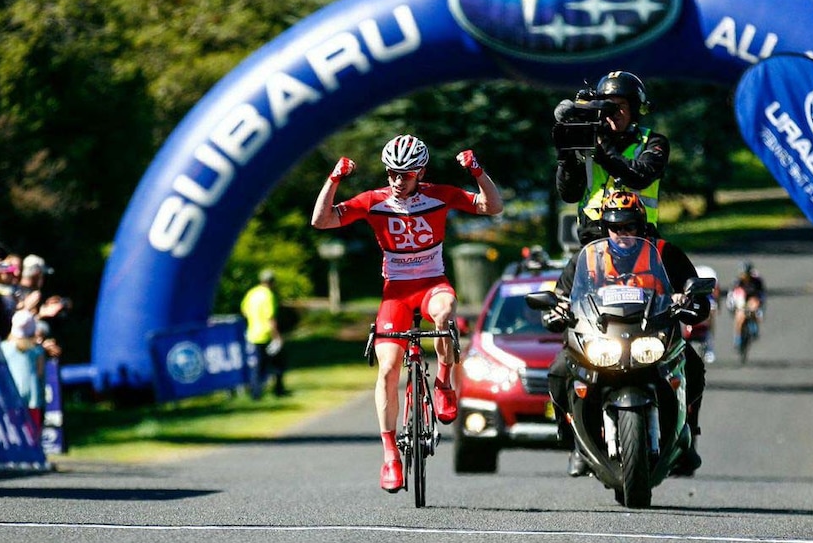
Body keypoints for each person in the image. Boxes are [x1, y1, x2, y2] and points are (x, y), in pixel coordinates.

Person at [310, 134, 503, 493]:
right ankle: (390, 456)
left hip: (432, 284)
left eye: (407, 175)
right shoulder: (374, 201)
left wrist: (477, 171)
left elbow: (492, 207)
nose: (398, 181)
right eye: (392, 173)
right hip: (395, 293)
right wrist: (333, 179)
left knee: (445, 315)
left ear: (421, 173)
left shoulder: (439, 194)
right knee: (386, 370)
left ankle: (444, 381)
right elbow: (321, 221)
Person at [544, 191, 709, 477]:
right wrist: (555, 309)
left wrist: (688, 300)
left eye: (629, 226)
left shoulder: (665, 253)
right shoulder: (588, 257)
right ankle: (573, 441)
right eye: (615, 227)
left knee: (692, 366)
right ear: (605, 227)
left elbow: (696, 294)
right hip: (601, 337)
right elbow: (561, 294)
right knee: (560, 370)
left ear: (641, 225)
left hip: (652, 335)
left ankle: (687, 436)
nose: (622, 233)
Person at [553, 71, 669, 245]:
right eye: (608, 106)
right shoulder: (589, 142)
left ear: (635, 108)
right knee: (568, 273)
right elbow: (569, 194)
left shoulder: (652, 142)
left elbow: (640, 177)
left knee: (674, 268)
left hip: (638, 235)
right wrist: (566, 156)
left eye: (621, 105)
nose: (613, 113)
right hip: (593, 238)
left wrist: (603, 146)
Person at [1, 309, 47, 440]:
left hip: (10, 397)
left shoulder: (4, 347)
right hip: (32, 398)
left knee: (12, 434)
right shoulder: (37, 351)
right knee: (32, 436)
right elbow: (40, 374)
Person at [241, 269, 287, 398]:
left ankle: (256, 393)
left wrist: (253, 319)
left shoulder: (252, 293)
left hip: (253, 334)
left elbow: (244, 310)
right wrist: (277, 337)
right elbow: (270, 318)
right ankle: (279, 390)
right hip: (267, 335)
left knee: (259, 366)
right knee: (278, 364)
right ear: (272, 282)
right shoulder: (268, 295)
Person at [725, 261, 766, 351]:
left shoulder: (756, 282)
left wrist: (760, 305)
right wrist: (732, 306)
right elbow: (732, 295)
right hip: (741, 301)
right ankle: (738, 337)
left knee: (753, 307)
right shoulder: (737, 282)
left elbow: (761, 295)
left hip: (753, 300)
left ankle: (754, 327)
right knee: (740, 316)